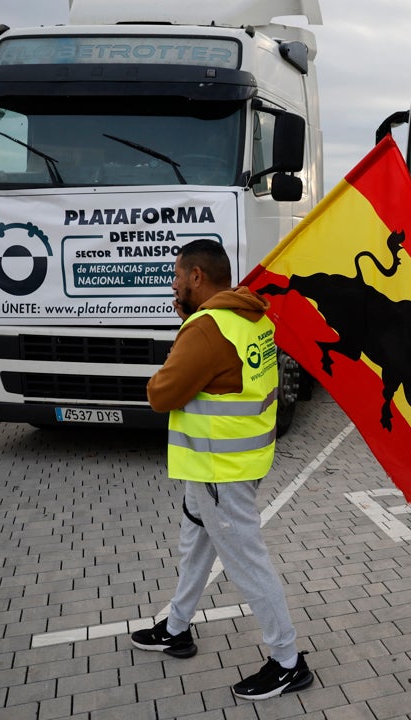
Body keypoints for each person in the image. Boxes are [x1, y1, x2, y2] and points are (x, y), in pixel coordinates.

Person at [130, 239, 312, 701]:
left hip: (219, 470)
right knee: (195, 545)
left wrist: (186, 334)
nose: (173, 284)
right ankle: (176, 627)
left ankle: (288, 661)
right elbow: (228, 375)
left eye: (177, 276)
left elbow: (161, 394)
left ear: (196, 277)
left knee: (247, 562)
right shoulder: (253, 316)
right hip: (237, 462)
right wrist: (189, 325)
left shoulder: (207, 329)